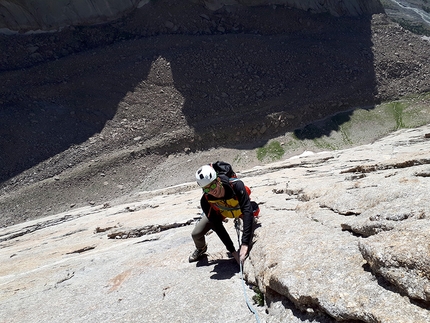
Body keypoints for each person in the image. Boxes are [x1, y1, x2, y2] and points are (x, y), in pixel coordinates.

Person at [189, 163, 255, 265]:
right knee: (196, 234)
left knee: (251, 218)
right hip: (222, 212)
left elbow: (247, 212)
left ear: (218, 180)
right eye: (207, 189)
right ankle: (201, 248)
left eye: (213, 185)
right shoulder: (206, 201)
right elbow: (218, 227)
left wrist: (245, 244)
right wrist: (233, 252)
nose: (212, 191)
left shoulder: (236, 185)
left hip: (238, 209)